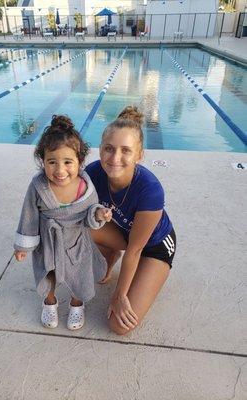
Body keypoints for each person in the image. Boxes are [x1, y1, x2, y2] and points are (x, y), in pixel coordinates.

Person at [14, 115, 112, 331]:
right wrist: (23, 246)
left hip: (77, 242)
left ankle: (77, 303)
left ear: (79, 161)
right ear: (43, 161)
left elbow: (90, 212)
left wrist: (99, 214)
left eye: (68, 162)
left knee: (79, 274)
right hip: (48, 242)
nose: (60, 170)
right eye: (52, 162)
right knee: (48, 273)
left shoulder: (85, 187)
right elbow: (29, 214)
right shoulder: (38, 186)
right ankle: (50, 302)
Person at [85, 106, 176, 335]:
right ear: (100, 149)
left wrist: (119, 295)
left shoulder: (150, 189)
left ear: (139, 154)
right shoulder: (93, 173)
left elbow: (135, 250)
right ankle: (111, 252)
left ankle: (152, 271)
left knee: (119, 325)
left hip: (153, 246)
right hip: (122, 232)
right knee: (77, 225)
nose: (115, 158)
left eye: (126, 150)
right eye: (109, 149)